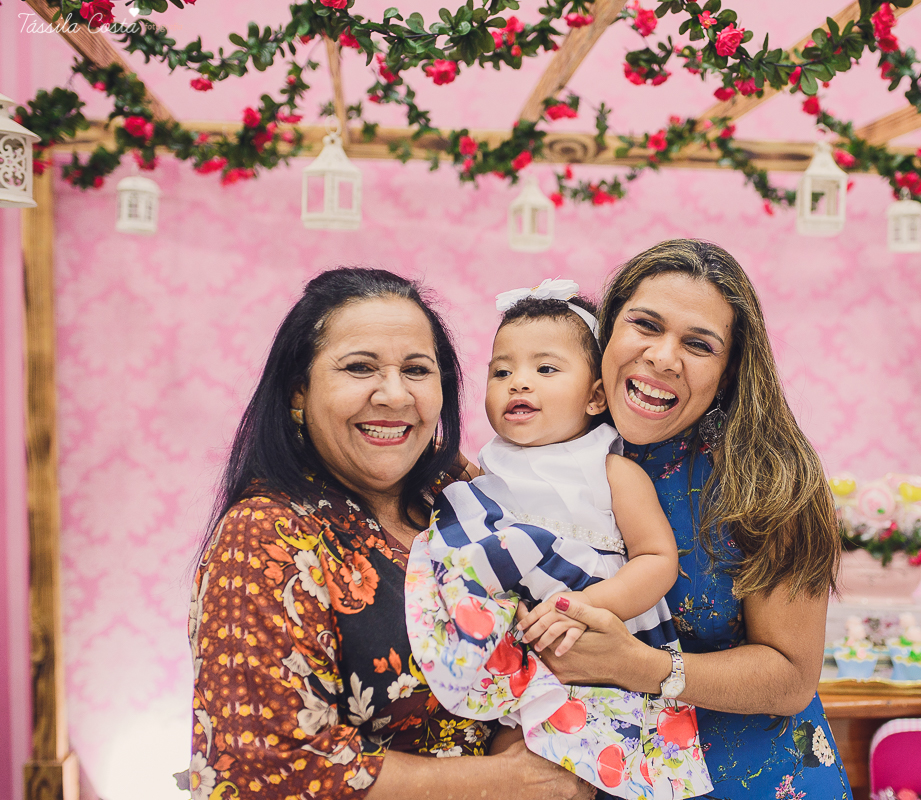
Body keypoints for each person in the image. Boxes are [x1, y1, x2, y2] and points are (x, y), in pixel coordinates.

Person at [188, 268, 592, 800]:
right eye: (359, 367)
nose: (395, 395)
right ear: (298, 393)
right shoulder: (267, 533)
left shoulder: (455, 495)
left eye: (418, 370)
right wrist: (504, 781)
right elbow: (263, 769)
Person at [518, 241, 853, 799]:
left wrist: (642, 666)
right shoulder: (549, 443)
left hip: (752, 779)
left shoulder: (770, 480)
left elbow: (793, 678)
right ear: (606, 331)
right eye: (645, 325)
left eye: (698, 344)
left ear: (728, 371)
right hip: (603, 776)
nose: (663, 357)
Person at [405, 281, 712, 800]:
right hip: (521, 644)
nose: (517, 384)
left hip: (597, 642)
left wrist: (586, 605)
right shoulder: (487, 467)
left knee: (594, 765)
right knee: (517, 761)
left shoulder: (608, 467)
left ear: (595, 395)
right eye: (502, 371)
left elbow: (657, 559)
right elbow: (493, 523)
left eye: (545, 370)